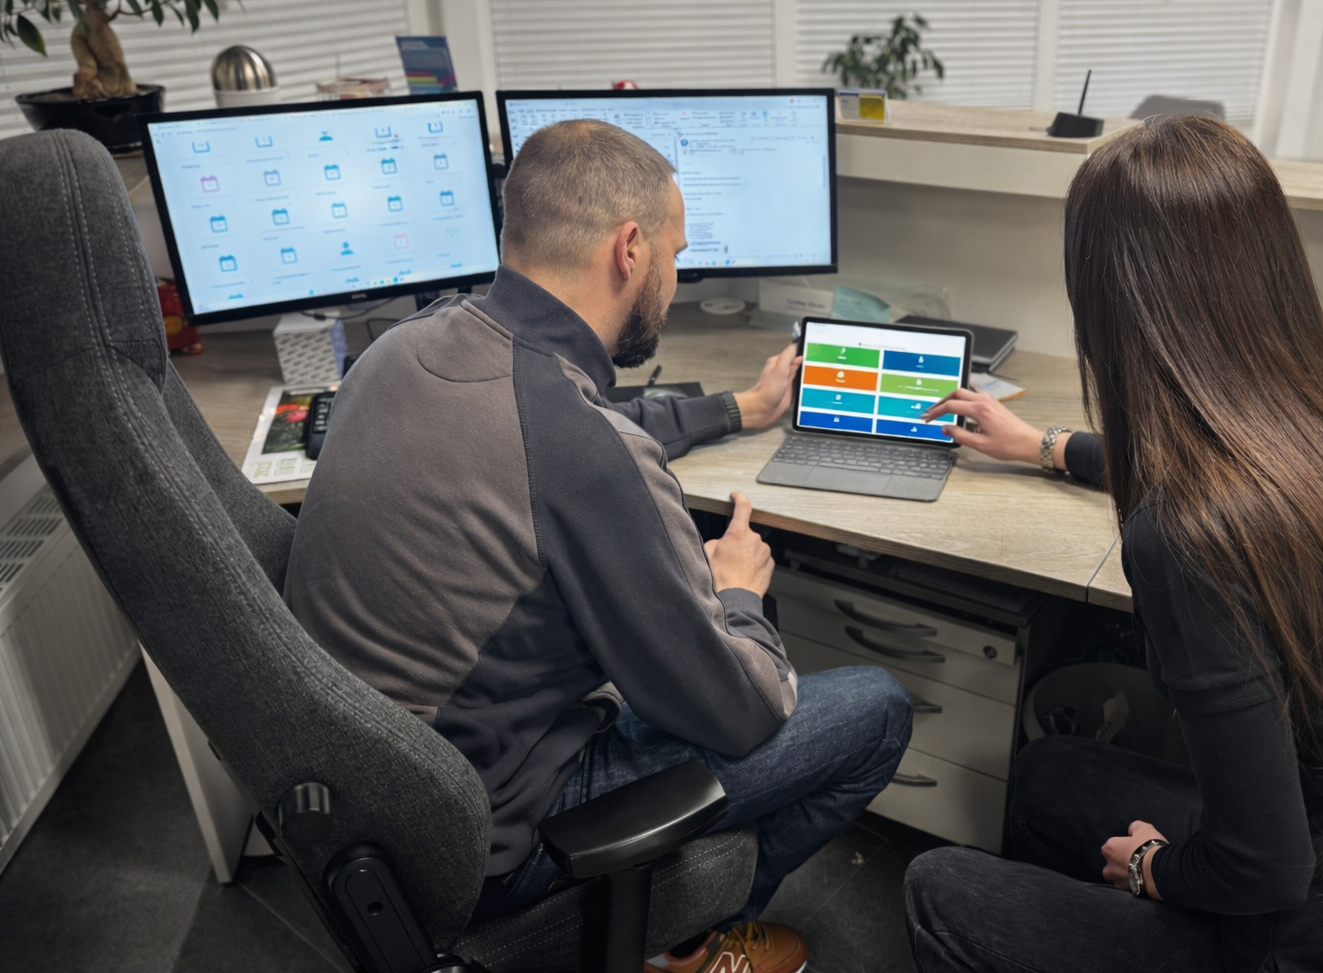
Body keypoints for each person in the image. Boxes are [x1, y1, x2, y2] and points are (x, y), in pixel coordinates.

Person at [904, 115, 1323, 972]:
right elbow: (1206, 449)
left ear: (1109, 301)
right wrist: (1046, 445)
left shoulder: (1183, 540)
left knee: (939, 887)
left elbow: (1263, 867)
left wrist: (1153, 871)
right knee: (1049, 774)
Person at [284, 119, 912, 973]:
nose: (676, 277)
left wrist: (737, 408)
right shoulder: (582, 450)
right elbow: (742, 711)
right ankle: (690, 937)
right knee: (875, 707)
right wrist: (738, 597)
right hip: (490, 837)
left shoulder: (401, 349)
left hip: (373, 808)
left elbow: (579, 415)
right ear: (629, 249)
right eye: (675, 252)